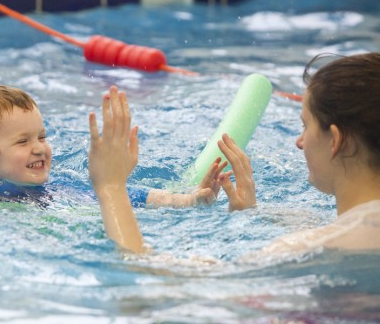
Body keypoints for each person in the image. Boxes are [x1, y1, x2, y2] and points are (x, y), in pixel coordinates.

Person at [89, 52, 380, 254]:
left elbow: (148, 286)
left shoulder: (307, 248)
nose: (299, 142)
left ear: (337, 141)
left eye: (306, 127)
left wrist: (111, 186)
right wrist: (253, 214)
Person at [0, 84, 227, 207]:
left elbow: (126, 194)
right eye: (22, 141)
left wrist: (191, 199)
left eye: (41, 137)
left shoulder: (58, 186)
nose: (39, 148)